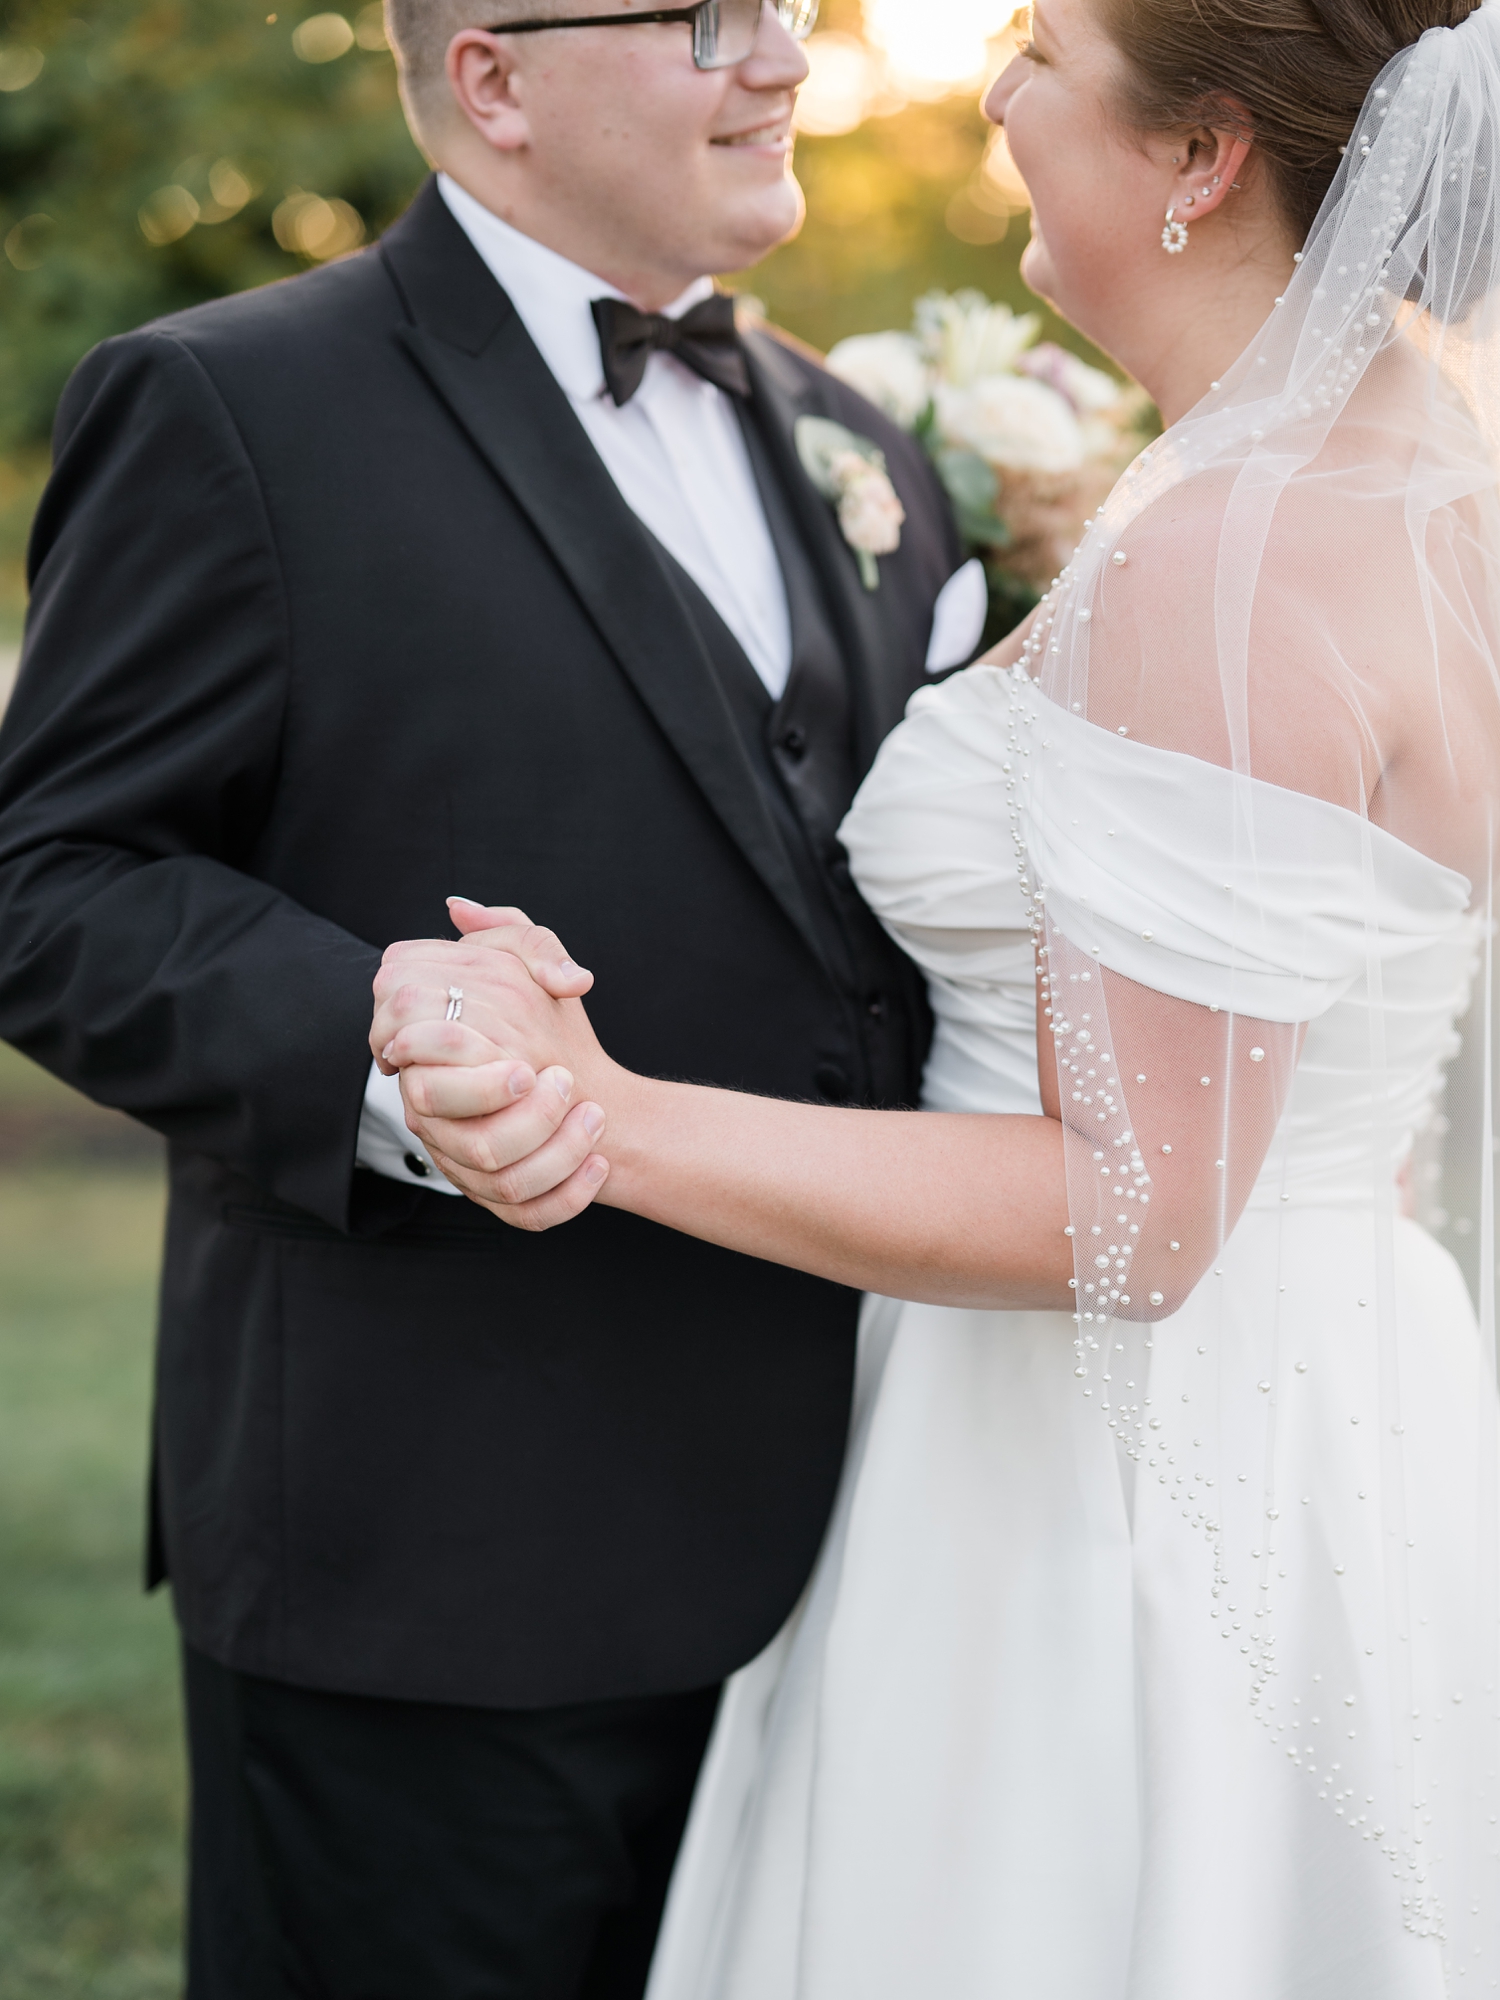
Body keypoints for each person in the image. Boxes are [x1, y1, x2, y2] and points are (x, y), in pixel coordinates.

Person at [374, 0, 1500, 1991]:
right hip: (1347, 1401)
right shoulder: (1420, 484)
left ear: (1204, 155)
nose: (988, 86)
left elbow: (1128, 1215)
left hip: (1109, 1479)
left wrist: (595, 1106)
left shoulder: (1236, 546)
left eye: (1046, 50)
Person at [0, 1, 986, 1992]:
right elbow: (51, 883)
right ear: (496, 80)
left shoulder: (863, 448)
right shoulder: (229, 400)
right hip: (429, 1554)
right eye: (708, 17)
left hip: (860, 1567)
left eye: (791, 9)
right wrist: (378, 1031)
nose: (783, 60)